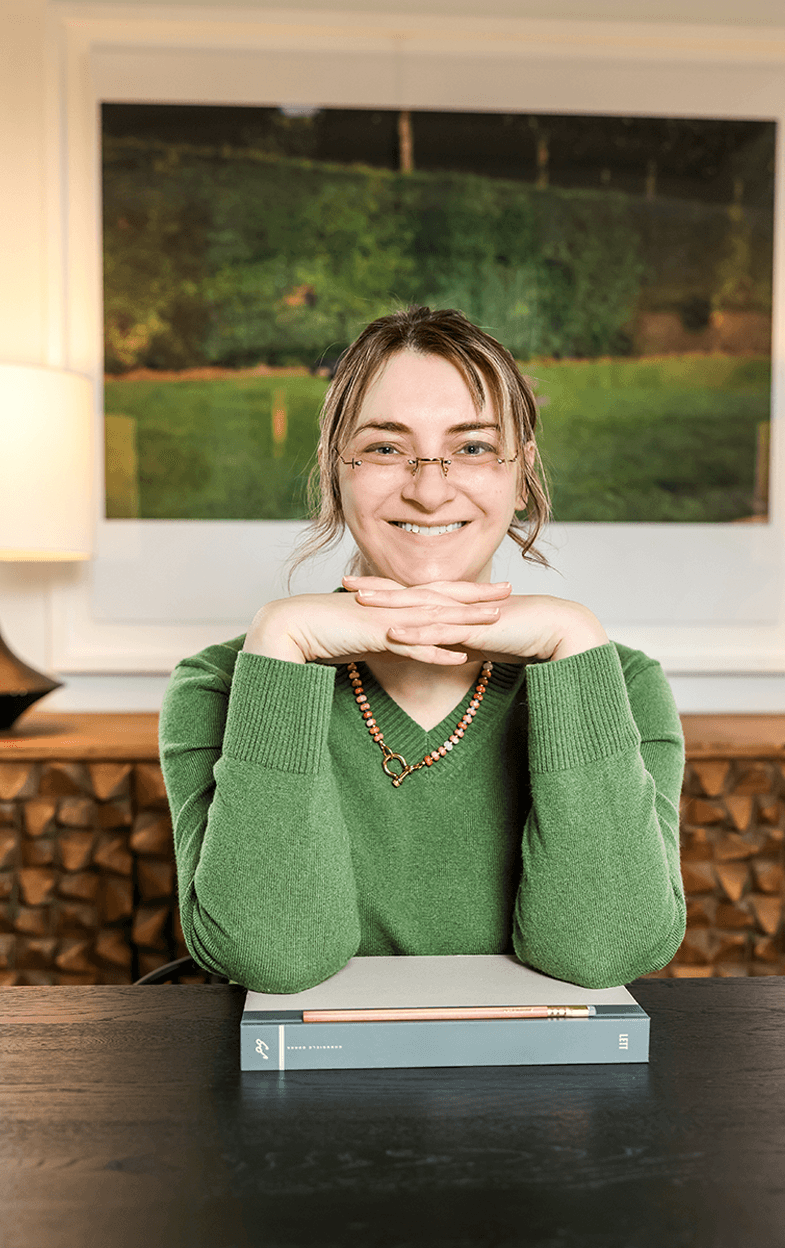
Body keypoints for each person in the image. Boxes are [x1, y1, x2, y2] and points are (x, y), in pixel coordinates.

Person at [159, 306, 685, 993]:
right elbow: (272, 957)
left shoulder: (619, 682)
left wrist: (575, 638)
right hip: (309, 1095)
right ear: (334, 468)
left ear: (521, 474)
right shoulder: (224, 683)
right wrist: (280, 642)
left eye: (471, 448)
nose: (430, 489)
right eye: (384, 448)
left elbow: (603, 954)